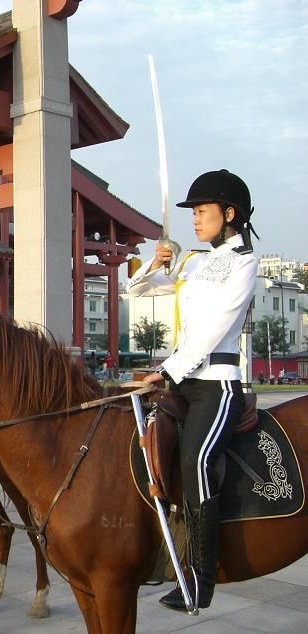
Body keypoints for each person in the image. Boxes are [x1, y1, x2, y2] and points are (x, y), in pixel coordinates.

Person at [127, 169, 258, 611]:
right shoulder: (195, 262)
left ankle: (200, 580)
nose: (195, 220)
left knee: (195, 459)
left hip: (215, 385)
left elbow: (214, 329)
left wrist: (168, 370)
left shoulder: (244, 263)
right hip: (183, 379)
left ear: (230, 213)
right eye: (194, 212)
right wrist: (157, 262)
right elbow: (136, 290)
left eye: (202, 211)